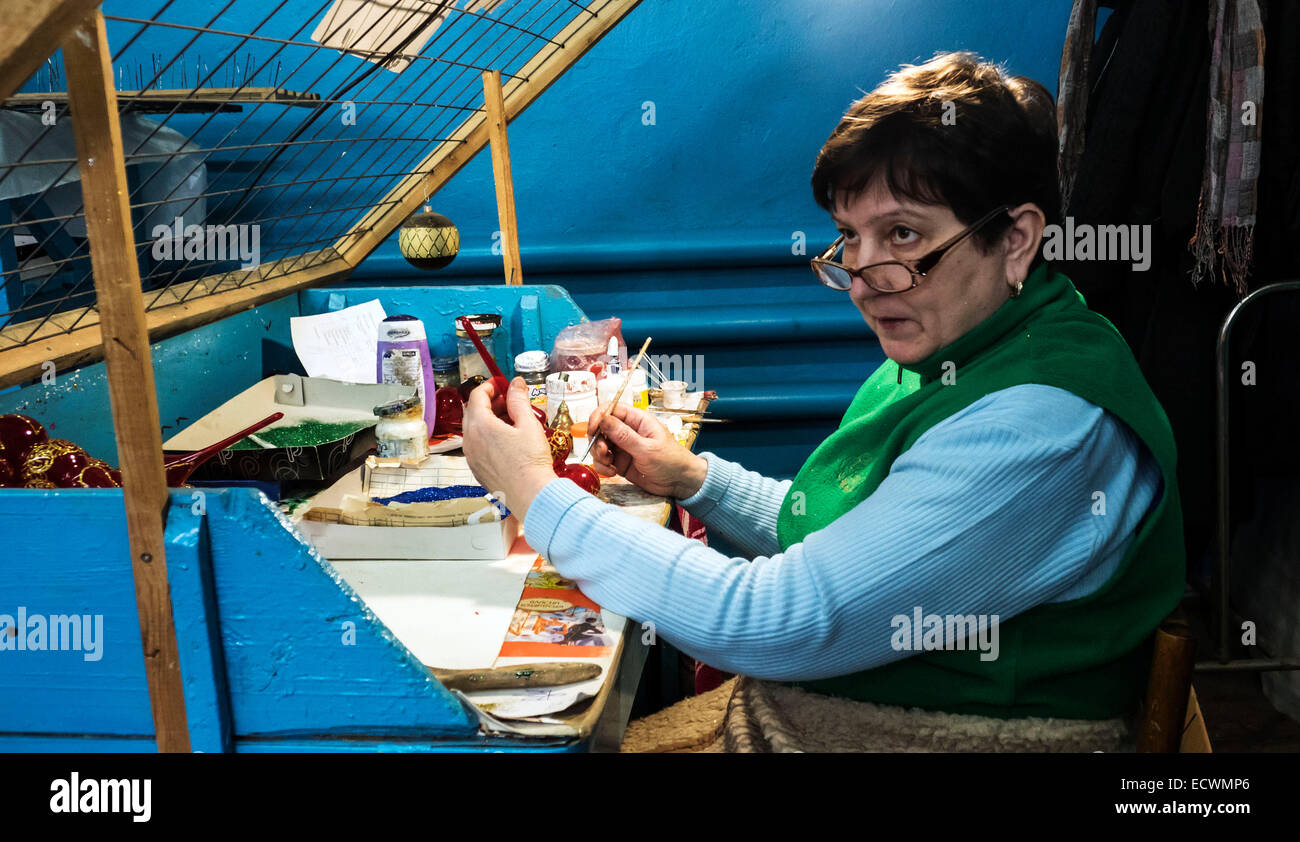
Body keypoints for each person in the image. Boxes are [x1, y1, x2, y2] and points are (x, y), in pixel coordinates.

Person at [461, 52, 1185, 751]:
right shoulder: (958, 349)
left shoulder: (1039, 426)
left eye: (903, 234)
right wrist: (692, 480)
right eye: (849, 239)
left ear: (1017, 239)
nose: (866, 278)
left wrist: (531, 490)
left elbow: (775, 619)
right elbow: (849, 547)